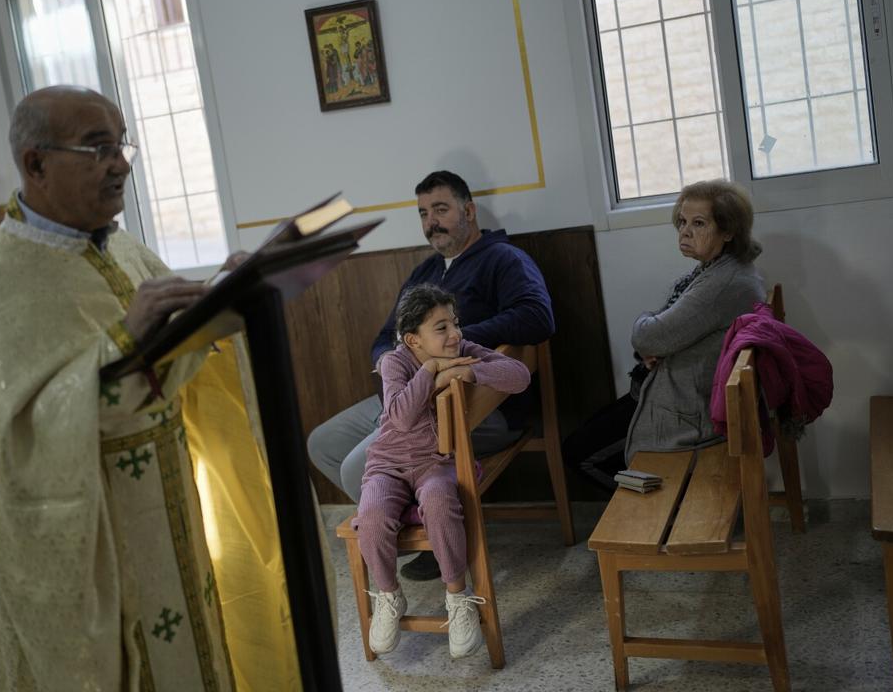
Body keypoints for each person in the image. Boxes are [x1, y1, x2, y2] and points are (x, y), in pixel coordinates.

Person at [0, 86, 236, 691]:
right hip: (95, 534)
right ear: (35, 163)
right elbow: (14, 442)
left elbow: (169, 358)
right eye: (99, 148)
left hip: (168, 507)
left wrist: (221, 303)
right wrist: (124, 340)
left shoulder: (125, 249)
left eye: (122, 145)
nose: (120, 165)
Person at [307, 170, 554, 580]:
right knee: (323, 443)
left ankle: (431, 533)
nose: (430, 222)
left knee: (355, 469)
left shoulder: (504, 259)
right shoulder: (425, 273)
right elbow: (386, 336)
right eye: (423, 213)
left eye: (440, 209)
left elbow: (537, 317)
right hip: (408, 395)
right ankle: (418, 519)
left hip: (472, 405)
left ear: (469, 211)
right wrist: (394, 363)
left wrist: (453, 342)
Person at [355, 284, 529, 659]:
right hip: (387, 464)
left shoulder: (461, 349)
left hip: (436, 463)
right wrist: (431, 371)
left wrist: (470, 373)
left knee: (438, 501)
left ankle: (458, 596)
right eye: (442, 328)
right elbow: (401, 417)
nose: (455, 334)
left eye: (455, 323)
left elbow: (519, 376)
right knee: (371, 517)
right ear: (413, 340)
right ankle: (388, 595)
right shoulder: (395, 362)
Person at [562, 179, 765, 490]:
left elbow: (648, 336)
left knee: (579, 454)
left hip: (684, 410)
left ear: (728, 231)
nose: (685, 231)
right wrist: (653, 338)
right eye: (682, 221)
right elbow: (659, 332)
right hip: (669, 390)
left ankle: (655, 507)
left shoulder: (724, 283)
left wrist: (648, 330)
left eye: (699, 223)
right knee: (584, 436)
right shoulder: (717, 269)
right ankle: (654, 501)